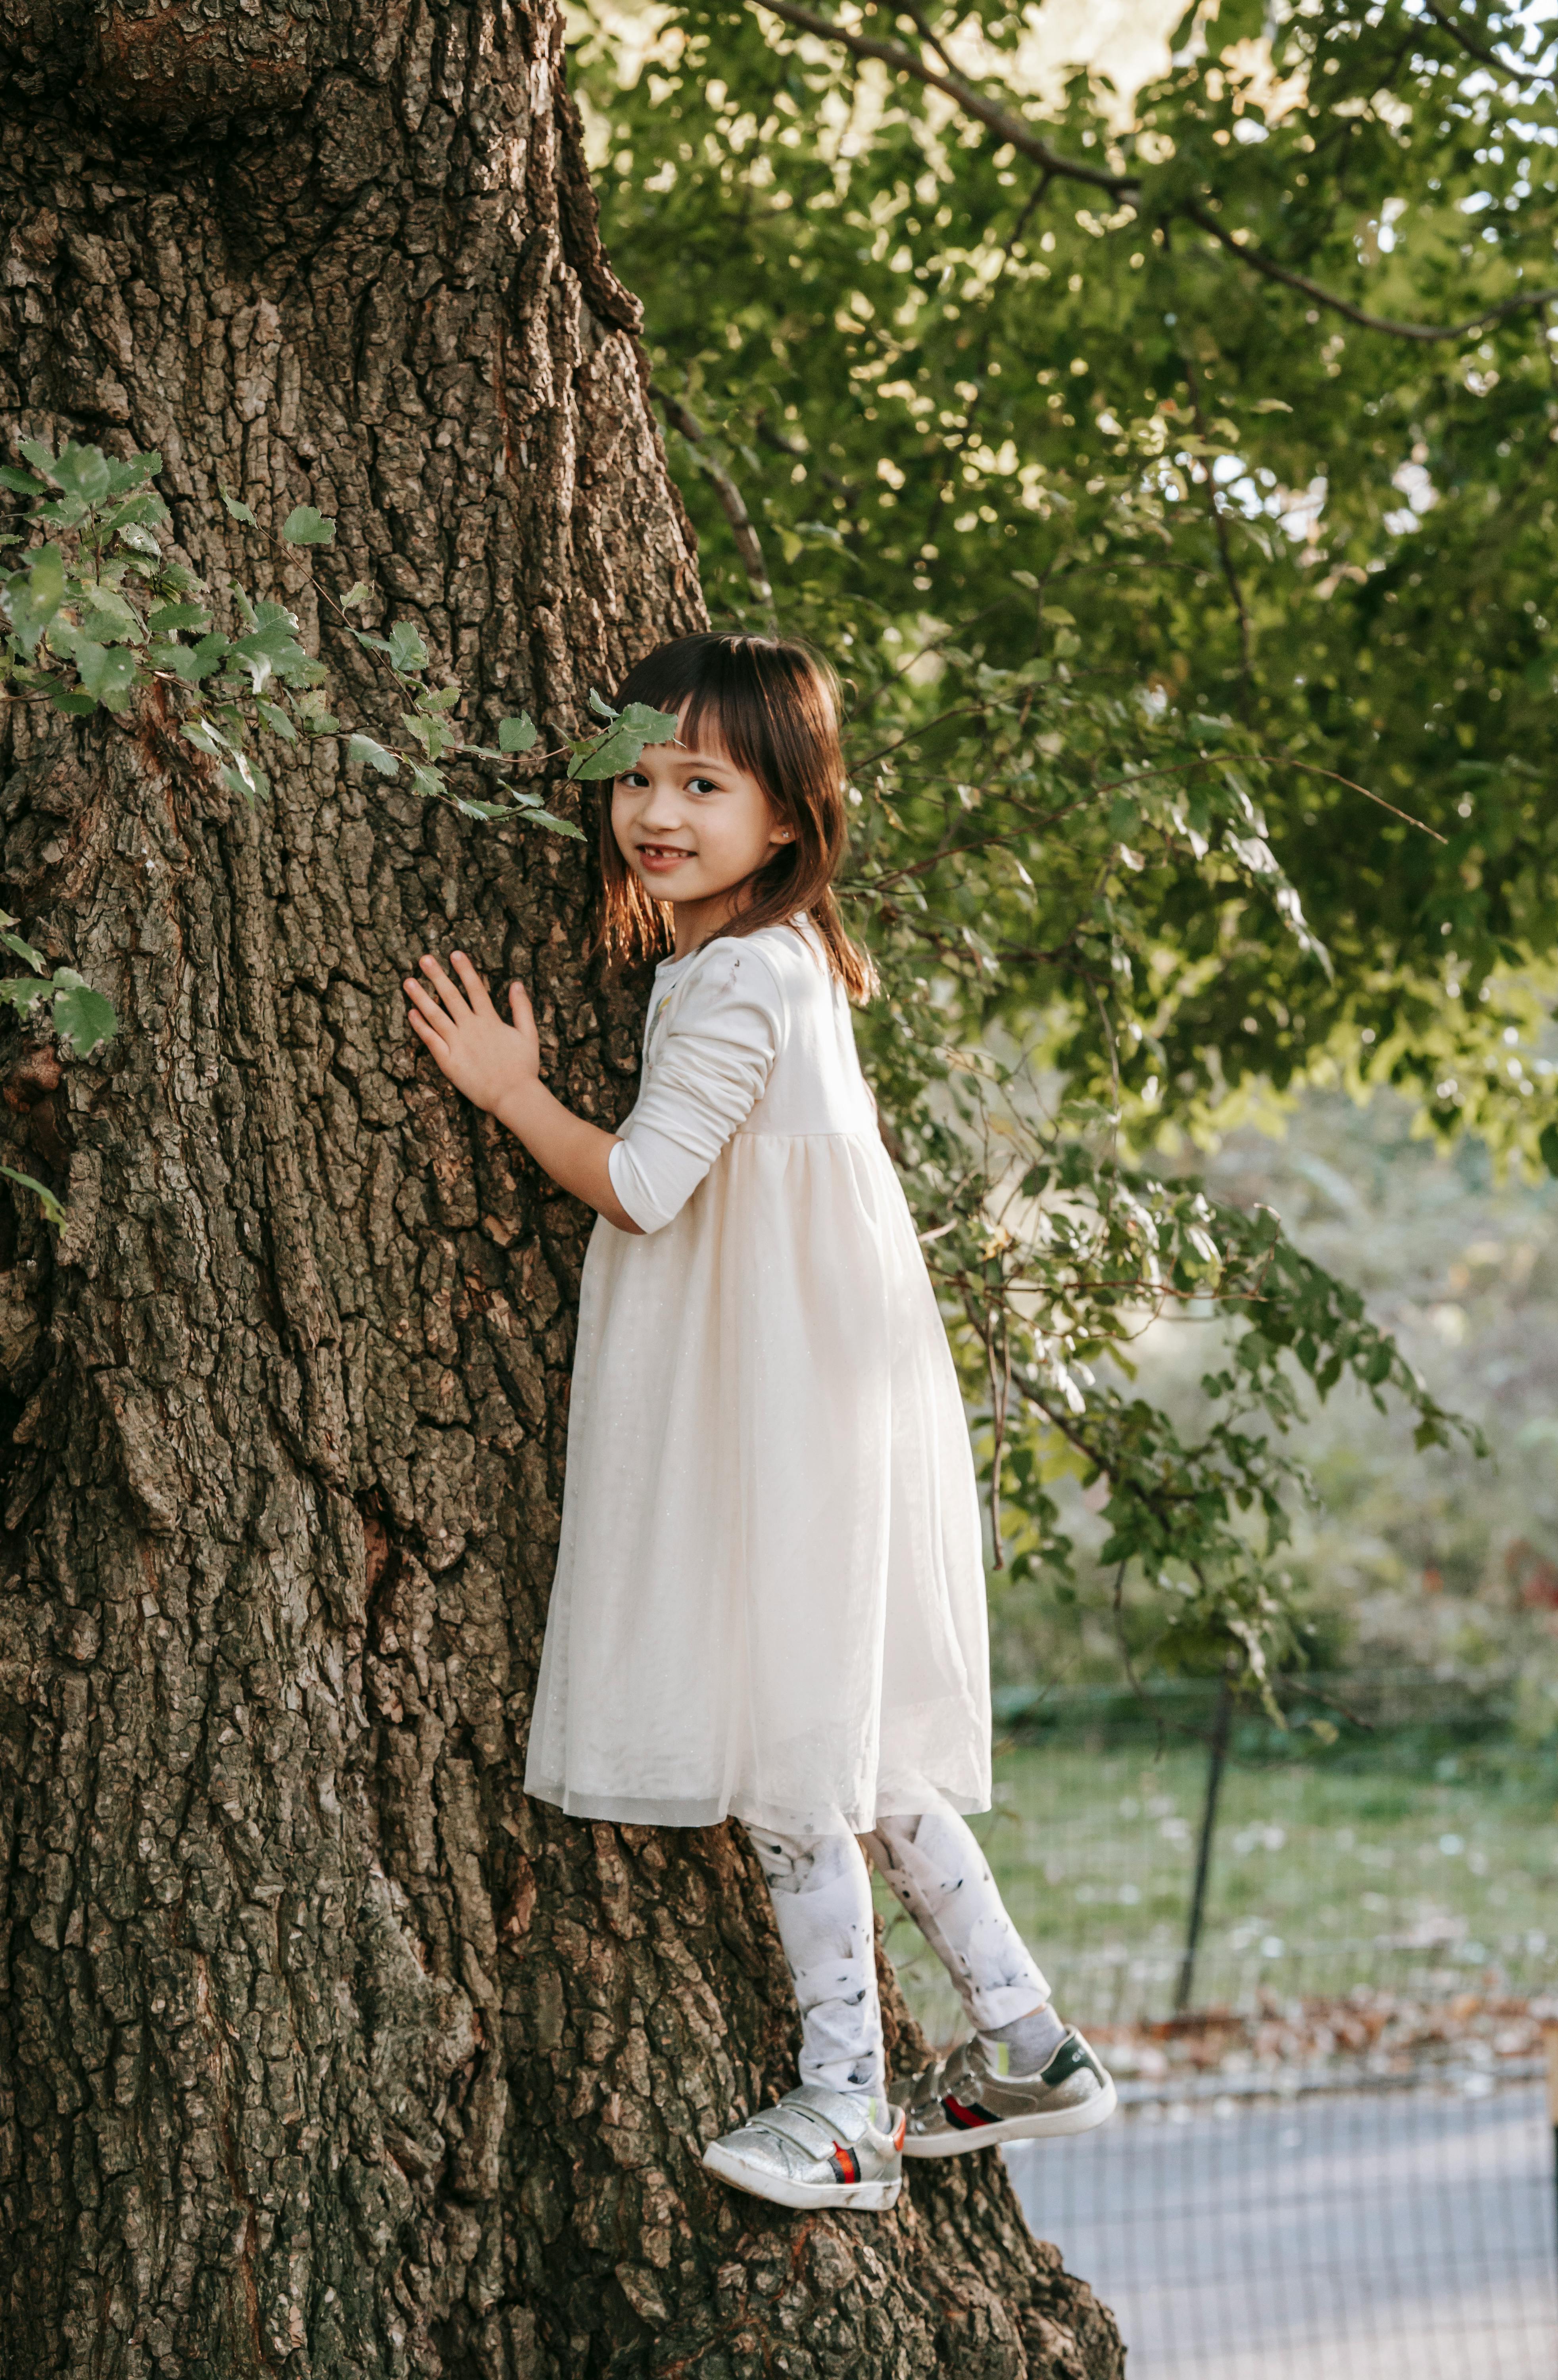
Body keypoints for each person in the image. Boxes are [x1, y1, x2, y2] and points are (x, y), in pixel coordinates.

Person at [402, 631, 1114, 2213]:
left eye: (702, 784)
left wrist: (510, 1087)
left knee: (804, 1765)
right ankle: (1025, 2042)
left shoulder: (737, 973)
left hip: (786, 1410)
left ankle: (848, 2106)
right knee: (849, 1745)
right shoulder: (782, 962)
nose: (655, 811)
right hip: (811, 1392)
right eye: (640, 779)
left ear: (788, 814)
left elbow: (647, 1188)